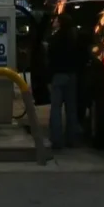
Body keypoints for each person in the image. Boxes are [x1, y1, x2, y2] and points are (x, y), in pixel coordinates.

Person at [44, 14, 82, 148]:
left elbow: (50, 61)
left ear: (60, 23)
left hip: (58, 75)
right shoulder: (74, 39)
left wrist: (48, 78)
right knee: (71, 108)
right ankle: (71, 138)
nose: (53, 21)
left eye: (55, 20)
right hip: (71, 75)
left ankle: (56, 139)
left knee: (56, 108)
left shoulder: (53, 40)